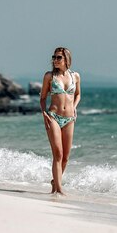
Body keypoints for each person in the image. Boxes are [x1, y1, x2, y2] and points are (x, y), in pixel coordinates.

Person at [40, 47, 81, 195]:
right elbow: (43, 97)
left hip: (70, 119)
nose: (55, 60)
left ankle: (54, 182)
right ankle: (59, 189)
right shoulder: (49, 76)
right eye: (54, 57)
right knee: (57, 154)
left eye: (59, 58)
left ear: (66, 59)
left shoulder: (75, 76)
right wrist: (44, 113)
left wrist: (75, 107)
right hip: (54, 117)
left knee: (65, 158)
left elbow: (78, 95)